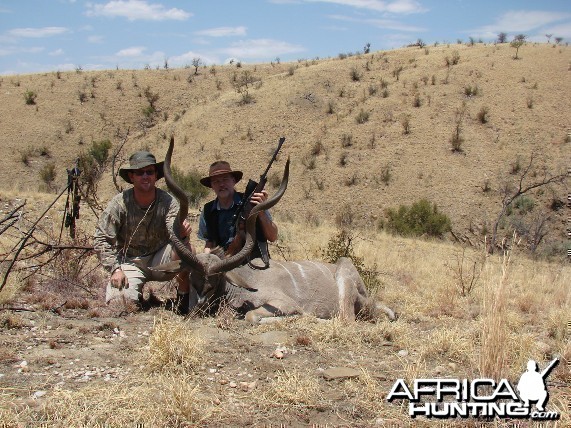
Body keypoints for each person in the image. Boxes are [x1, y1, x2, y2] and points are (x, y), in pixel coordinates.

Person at [93, 150, 193, 313]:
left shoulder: (168, 201)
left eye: (149, 172)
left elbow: (173, 229)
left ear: (155, 175)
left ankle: (183, 298)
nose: (145, 176)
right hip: (130, 261)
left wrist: (181, 232)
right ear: (131, 177)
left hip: (160, 260)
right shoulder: (119, 203)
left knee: (187, 250)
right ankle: (134, 293)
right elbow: (101, 239)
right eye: (140, 172)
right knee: (120, 305)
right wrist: (116, 269)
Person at [197, 160, 278, 260]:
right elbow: (209, 244)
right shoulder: (207, 210)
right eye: (216, 181)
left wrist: (260, 211)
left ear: (233, 181)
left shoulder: (253, 202)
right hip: (222, 266)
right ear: (212, 186)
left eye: (225, 179)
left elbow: (273, 237)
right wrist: (206, 260)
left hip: (254, 263)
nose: (221, 184)